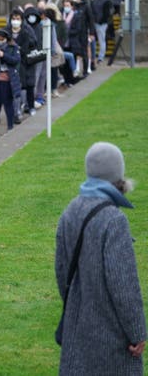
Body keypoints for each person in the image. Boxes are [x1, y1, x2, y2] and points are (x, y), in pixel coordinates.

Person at [55, 142, 146, 374]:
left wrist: (77, 303)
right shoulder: (114, 220)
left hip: (77, 327)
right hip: (112, 337)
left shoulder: (70, 210)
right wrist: (137, 333)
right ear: (118, 176)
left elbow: (61, 272)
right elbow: (123, 285)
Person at [5, 8, 37, 123]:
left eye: (18, 19)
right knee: (13, 87)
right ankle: (15, 110)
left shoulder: (27, 30)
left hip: (25, 62)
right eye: (13, 19)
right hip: (11, 63)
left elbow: (34, 43)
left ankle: (30, 106)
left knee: (28, 85)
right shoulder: (6, 30)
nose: (15, 21)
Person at [0, 29, 22, 131]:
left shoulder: (13, 48)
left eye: (2, 39)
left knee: (7, 103)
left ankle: (10, 125)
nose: (0, 41)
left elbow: (15, 60)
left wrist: (3, 55)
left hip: (8, 78)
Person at [91, 0, 113, 64]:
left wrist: (100, 21)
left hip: (101, 24)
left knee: (101, 40)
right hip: (95, 22)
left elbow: (107, 14)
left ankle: (101, 57)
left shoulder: (106, 1)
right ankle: (94, 57)